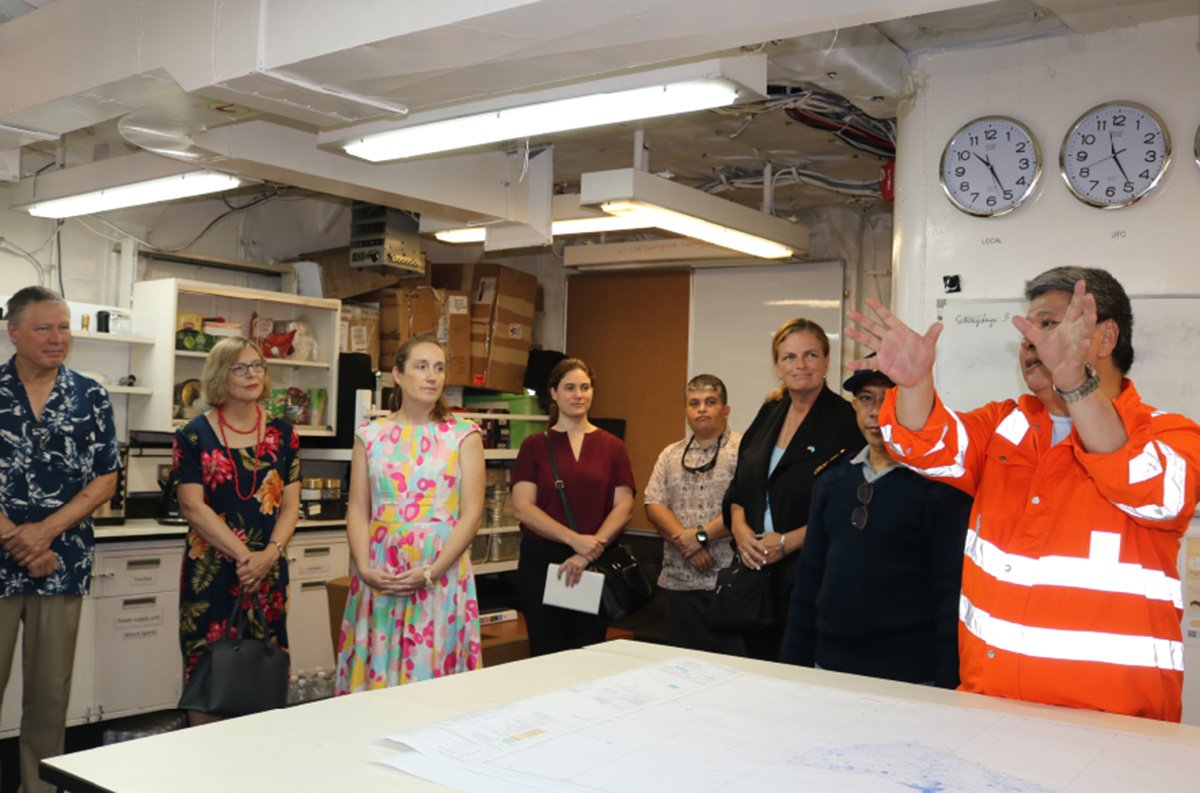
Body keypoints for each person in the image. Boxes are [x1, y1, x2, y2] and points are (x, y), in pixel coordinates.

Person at [847, 266, 1200, 722]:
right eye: (1028, 329)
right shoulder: (1004, 425)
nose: (1031, 340)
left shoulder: (1169, 433)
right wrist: (916, 384)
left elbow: (1155, 491)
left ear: (1105, 336)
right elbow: (930, 444)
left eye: (1049, 325)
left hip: (1116, 728)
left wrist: (1076, 383)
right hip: (989, 709)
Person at [778, 364, 971, 687]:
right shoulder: (832, 480)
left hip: (907, 676)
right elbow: (809, 582)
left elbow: (949, 595)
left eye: (890, 398)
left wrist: (947, 684)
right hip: (829, 666)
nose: (876, 412)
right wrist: (790, 668)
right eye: (866, 398)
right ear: (853, 405)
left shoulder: (939, 490)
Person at [0, 286, 120, 793]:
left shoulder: (89, 394)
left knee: (49, 697)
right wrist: (16, 539)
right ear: (14, 332)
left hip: (63, 561)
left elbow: (104, 479)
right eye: (44, 328)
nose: (57, 338)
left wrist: (44, 533)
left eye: (64, 327)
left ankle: (39, 788)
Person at [335, 334, 484, 691]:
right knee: (377, 683)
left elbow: (472, 514)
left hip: (440, 575)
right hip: (381, 575)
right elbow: (357, 509)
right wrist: (365, 567)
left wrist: (432, 571)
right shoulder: (369, 436)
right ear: (397, 375)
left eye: (439, 368)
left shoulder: (463, 435)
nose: (432, 376)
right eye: (421, 367)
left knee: (432, 684)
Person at [174, 336, 301, 724]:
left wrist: (269, 554)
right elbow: (193, 506)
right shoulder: (193, 434)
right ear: (219, 375)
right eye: (240, 367)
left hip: (268, 567)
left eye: (258, 366)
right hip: (212, 570)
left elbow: (290, 506)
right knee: (207, 672)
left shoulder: (284, 435)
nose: (252, 375)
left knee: (264, 661)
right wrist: (246, 556)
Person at [723, 318, 864, 661]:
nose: (800, 365)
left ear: (827, 362)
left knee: (799, 671)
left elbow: (852, 507)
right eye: (789, 357)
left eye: (810, 355)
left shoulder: (846, 420)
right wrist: (742, 534)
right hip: (755, 573)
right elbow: (740, 487)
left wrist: (787, 543)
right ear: (776, 367)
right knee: (758, 674)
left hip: (811, 573)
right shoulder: (770, 411)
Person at [511, 358, 636, 656]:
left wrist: (587, 551)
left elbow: (624, 506)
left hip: (594, 561)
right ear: (553, 393)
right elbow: (522, 507)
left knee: (587, 653)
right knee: (546, 652)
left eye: (585, 387)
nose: (578, 394)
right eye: (569, 388)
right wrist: (574, 541)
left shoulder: (612, 446)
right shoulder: (534, 446)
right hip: (544, 564)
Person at [645, 374, 743, 653]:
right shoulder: (669, 454)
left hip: (729, 581)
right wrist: (687, 544)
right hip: (680, 582)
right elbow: (653, 504)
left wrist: (700, 536)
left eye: (710, 402)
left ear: (725, 410)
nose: (702, 408)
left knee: (732, 668)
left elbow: (747, 505)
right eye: (694, 403)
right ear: (686, 411)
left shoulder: (746, 450)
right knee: (682, 668)